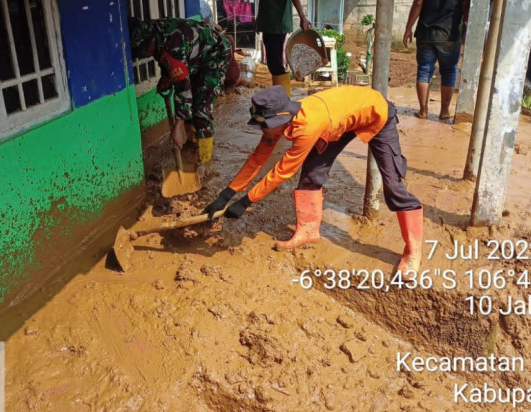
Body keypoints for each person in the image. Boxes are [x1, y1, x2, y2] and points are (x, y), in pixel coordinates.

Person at [203, 86, 424, 275]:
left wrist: (246, 201)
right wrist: (227, 194)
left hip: (376, 113)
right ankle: (308, 231)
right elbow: (257, 158)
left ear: (282, 117)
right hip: (338, 120)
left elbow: (282, 171)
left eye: (266, 125)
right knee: (311, 175)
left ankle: (413, 251)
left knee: (393, 186)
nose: (264, 130)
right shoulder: (279, 120)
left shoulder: (308, 127)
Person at [129, 17, 232, 164]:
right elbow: (169, 62)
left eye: (143, 53)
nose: (144, 56)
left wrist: (178, 127)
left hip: (216, 55)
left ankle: (205, 162)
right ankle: (192, 142)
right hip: (194, 57)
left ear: (149, 42)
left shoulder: (173, 44)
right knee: (189, 107)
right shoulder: (156, 33)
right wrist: (166, 77)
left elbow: (183, 89)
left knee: (201, 109)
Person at [402, 0, 469, 121]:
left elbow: (418, 3)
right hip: (449, 35)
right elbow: (466, 5)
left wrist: (408, 28)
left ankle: (423, 111)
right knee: (449, 72)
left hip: (426, 34)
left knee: (424, 71)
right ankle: (444, 111)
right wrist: (467, 24)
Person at [256, 0, 311, 96]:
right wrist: (259, 20)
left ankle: (284, 99)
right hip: (269, 24)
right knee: (274, 65)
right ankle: (282, 98)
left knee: (275, 65)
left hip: (276, 25)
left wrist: (302, 17)